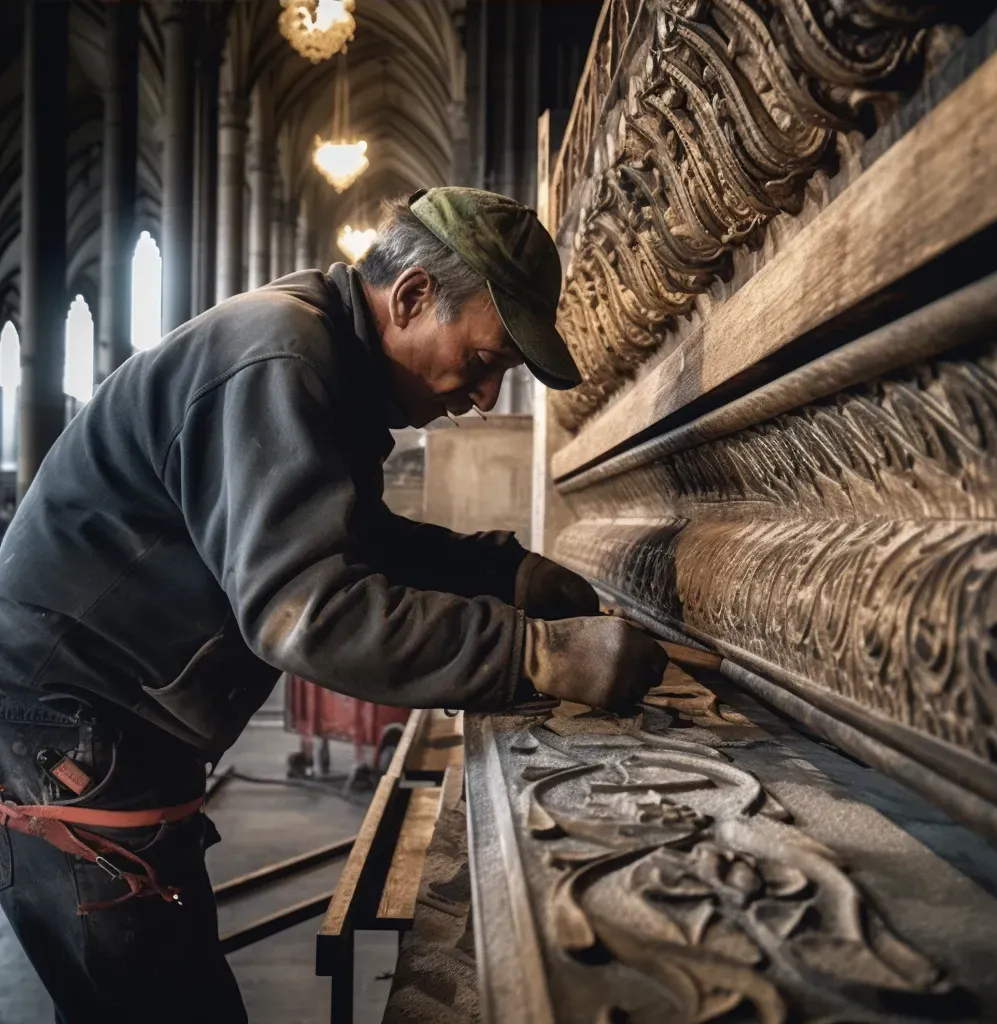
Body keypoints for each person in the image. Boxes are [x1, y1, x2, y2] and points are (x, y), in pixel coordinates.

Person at [0, 188, 667, 1021]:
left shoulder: (322, 357)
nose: (488, 395)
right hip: (69, 721)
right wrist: (540, 655)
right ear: (415, 296)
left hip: (104, 714)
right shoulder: (281, 355)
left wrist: (506, 575)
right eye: (486, 360)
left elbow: (351, 540)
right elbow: (307, 610)